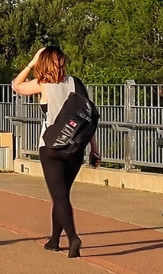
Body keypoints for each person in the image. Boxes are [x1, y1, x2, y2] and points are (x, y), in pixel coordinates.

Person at [11, 46, 100, 258]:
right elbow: (87, 118)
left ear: (43, 62)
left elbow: (16, 86)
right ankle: (54, 240)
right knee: (62, 196)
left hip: (51, 147)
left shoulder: (41, 84)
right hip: (75, 147)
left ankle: (73, 238)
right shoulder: (75, 83)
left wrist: (32, 62)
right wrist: (94, 149)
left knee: (59, 197)